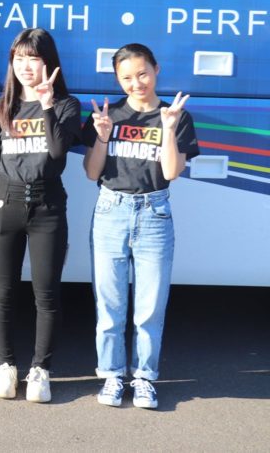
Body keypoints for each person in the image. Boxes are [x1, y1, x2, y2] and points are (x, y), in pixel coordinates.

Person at [83, 43, 198, 410]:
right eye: (127, 77)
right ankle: (113, 375)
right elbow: (90, 173)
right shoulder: (109, 114)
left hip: (154, 214)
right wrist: (102, 136)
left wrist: (168, 128)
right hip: (110, 211)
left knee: (149, 308)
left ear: (157, 69)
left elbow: (170, 173)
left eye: (143, 74)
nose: (137, 83)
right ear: (118, 79)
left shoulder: (176, 116)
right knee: (110, 304)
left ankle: (145, 378)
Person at [0, 28, 80, 403]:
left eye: (33, 58)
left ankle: (41, 370)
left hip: (48, 208)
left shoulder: (68, 105)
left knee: (46, 294)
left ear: (48, 62)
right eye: (18, 58)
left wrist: (48, 103)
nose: (25, 66)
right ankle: (6, 366)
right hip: (6, 205)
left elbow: (56, 155)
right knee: (2, 292)